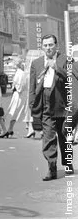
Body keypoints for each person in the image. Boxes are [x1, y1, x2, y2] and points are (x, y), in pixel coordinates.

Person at [29, 34, 76, 180]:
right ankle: (52, 167)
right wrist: (32, 105)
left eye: (51, 45)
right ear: (42, 47)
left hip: (63, 105)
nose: (48, 48)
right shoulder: (36, 63)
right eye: (45, 45)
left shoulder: (66, 60)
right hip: (46, 105)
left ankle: (68, 164)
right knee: (48, 138)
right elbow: (32, 87)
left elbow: (72, 79)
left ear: (56, 46)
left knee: (64, 137)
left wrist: (56, 68)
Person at [2, 57, 29, 138]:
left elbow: (20, 85)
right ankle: (10, 129)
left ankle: (8, 129)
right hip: (18, 94)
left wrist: (14, 87)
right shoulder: (20, 72)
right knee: (14, 111)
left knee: (14, 111)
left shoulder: (20, 73)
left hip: (18, 95)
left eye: (13, 63)